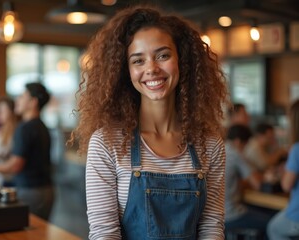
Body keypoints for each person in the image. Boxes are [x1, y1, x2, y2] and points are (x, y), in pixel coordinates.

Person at [68, 4, 228, 239]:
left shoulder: (210, 145)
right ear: (126, 71)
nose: (152, 69)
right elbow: (104, 233)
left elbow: (211, 227)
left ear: (181, 61)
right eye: (138, 60)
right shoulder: (107, 143)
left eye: (163, 55)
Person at [0, 83, 54, 220]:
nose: (17, 100)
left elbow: (16, 165)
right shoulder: (42, 126)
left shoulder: (24, 128)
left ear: (33, 102)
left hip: (31, 191)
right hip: (46, 190)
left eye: (22, 96)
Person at [224, 124, 272, 238]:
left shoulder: (217, 150)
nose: (244, 149)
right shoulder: (235, 153)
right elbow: (257, 184)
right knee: (271, 223)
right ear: (238, 141)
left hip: (212, 215)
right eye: (245, 145)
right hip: (230, 214)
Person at [267, 99, 299, 239]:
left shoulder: (296, 149)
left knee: (273, 228)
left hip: (297, 215)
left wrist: (283, 172)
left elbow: (286, 185)